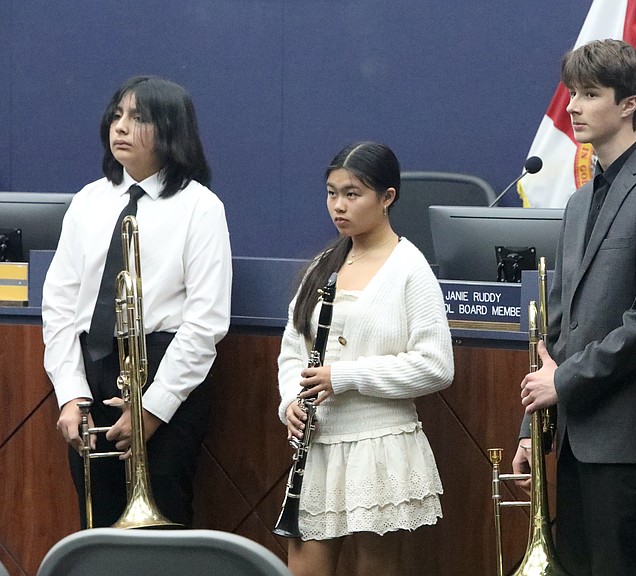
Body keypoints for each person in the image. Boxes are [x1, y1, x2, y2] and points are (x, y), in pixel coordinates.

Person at [512, 39, 636, 575]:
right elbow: (558, 326)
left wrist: (564, 382)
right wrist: (532, 428)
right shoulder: (576, 201)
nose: (572, 105)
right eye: (573, 92)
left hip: (626, 439)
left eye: (590, 94)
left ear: (628, 104)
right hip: (570, 434)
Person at [43, 75, 232, 528]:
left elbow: (206, 322)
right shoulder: (89, 200)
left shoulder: (200, 208)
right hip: (95, 365)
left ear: (170, 131)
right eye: (117, 115)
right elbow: (60, 305)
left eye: (138, 118)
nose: (121, 127)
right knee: (98, 519)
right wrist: (71, 395)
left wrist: (153, 409)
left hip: (166, 368)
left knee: (163, 518)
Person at [277, 141, 453, 576]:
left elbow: (436, 365)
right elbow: (291, 352)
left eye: (352, 194)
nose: (338, 206)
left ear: (387, 197)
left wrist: (345, 376)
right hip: (318, 446)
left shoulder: (410, 268)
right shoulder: (323, 265)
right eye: (332, 193)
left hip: (379, 444)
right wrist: (290, 403)